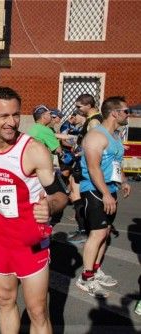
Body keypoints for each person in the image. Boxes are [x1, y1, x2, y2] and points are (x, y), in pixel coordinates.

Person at [0, 87, 68, 334]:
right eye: (4, 116)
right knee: (5, 302)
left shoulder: (33, 150)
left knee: (38, 311)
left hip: (31, 242)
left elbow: (61, 195)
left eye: (16, 115)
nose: (12, 122)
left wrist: (50, 206)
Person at [75, 96, 131, 298]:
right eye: (126, 110)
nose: (128, 114)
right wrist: (106, 193)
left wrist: (123, 181)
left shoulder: (115, 135)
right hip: (94, 190)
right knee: (97, 234)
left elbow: (115, 163)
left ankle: (96, 270)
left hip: (109, 190)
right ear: (114, 113)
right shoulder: (95, 136)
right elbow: (93, 167)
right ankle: (86, 277)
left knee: (105, 232)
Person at [68, 93, 104, 244]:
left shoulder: (94, 121)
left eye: (79, 106)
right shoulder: (95, 119)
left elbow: (94, 145)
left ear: (89, 105)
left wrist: (79, 151)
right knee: (76, 193)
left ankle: (84, 230)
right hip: (83, 161)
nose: (77, 109)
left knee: (77, 195)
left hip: (85, 163)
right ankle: (85, 228)